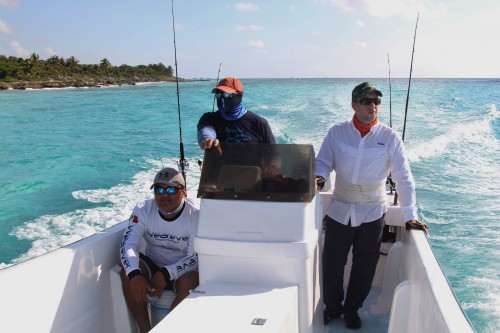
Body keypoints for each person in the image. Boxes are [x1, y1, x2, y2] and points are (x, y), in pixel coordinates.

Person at [316, 82, 426, 329]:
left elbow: (404, 177)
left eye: (376, 101)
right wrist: (319, 178)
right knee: (332, 263)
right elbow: (322, 162)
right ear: (354, 104)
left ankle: (352, 310)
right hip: (340, 208)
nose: (372, 106)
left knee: (365, 267)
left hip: (373, 212)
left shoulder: (390, 137)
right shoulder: (337, 132)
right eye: (366, 101)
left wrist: (409, 215)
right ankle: (332, 307)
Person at [119, 167, 199, 333]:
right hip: (153, 263)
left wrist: (166, 274)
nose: (164, 195)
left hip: (182, 268)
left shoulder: (195, 215)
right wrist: (134, 275)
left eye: (170, 189)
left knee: (191, 282)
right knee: (126, 273)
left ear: (183, 192)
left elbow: (195, 257)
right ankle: (144, 330)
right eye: (158, 189)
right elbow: (128, 245)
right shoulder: (142, 209)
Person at [197, 77, 276, 150]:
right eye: (218, 94)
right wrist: (207, 139)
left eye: (226, 94)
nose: (222, 98)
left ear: (239, 95)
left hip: (253, 165)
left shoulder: (260, 123)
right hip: (220, 165)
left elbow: (274, 154)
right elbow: (206, 130)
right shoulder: (208, 118)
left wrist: (272, 164)